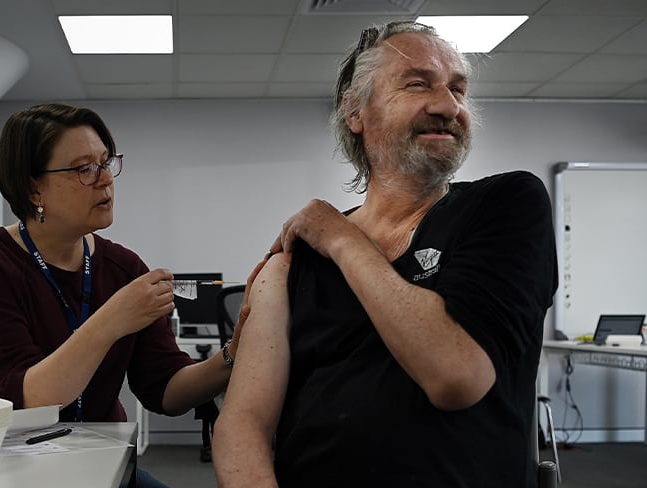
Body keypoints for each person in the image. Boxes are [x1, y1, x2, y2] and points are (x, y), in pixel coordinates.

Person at [212, 21, 558, 487]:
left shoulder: (505, 204)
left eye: (457, 88)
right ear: (356, 112)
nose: (447, 105)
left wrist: (341, 236)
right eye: (417, 84)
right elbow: (243, 424)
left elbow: (455, 376)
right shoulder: (294, 263)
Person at [0, 103, 261, 488]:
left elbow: (167, 390)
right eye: (84, 169)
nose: (105, 181)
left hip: (101, 464)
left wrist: (235, 353)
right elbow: (28, 396)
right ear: (33, 188)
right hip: (9, 468)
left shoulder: (124, 267)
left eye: (106, 162)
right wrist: (113, 319)